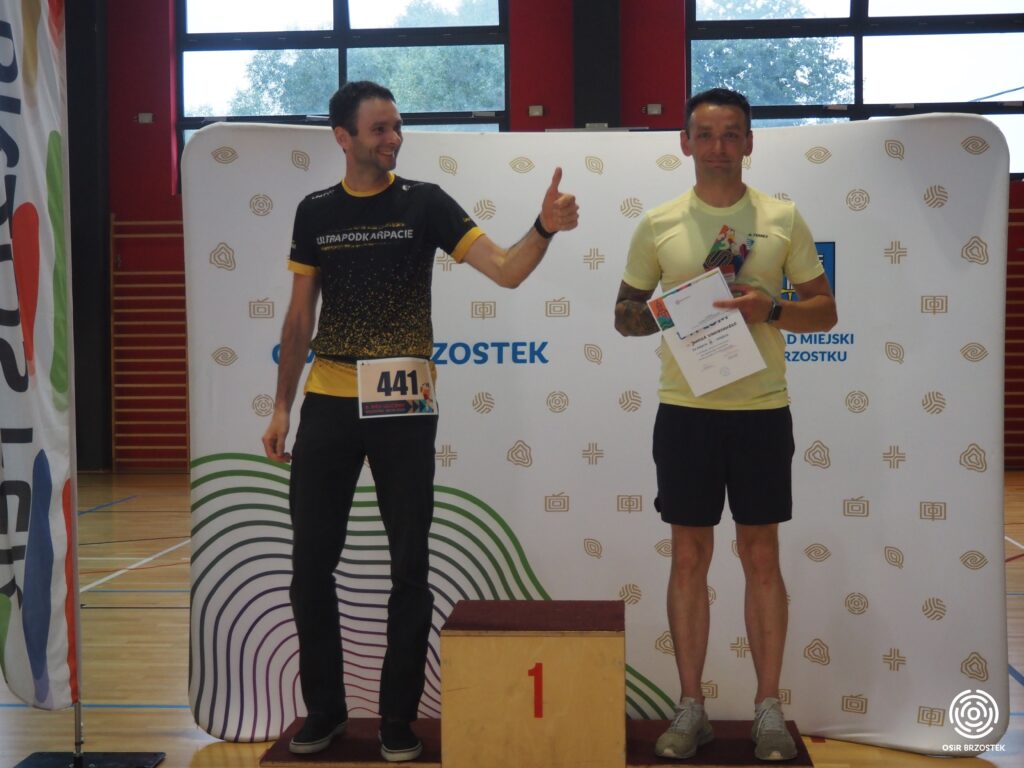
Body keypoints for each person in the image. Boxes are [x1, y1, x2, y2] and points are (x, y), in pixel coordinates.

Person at [261, 80, 578, 761]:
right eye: (378, 129)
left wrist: (544, 227)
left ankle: (397, 719)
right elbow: (298, 316)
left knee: (410, 565)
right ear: (343, 137)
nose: (393, 139)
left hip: (403, 406)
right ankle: (325, 712)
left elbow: (506, 270)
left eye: (396, 127)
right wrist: (282, 404)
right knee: (310, 565)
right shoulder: (315, 212)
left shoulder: (425, 202)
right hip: (328, 401)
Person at [613, 87, 836, 762]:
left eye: (731, 134)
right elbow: (624, 317)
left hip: (762, 411)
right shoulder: (658, 224)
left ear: (749, 142)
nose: (718, 147)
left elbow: (825, 310)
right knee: (689, 556)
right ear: (684, 143)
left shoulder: (781, 218)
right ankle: (691, 707)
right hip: (686, 411)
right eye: (705, 135)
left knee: (762, 556)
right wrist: (678, 307)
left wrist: (771, 309)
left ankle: (769, 709)